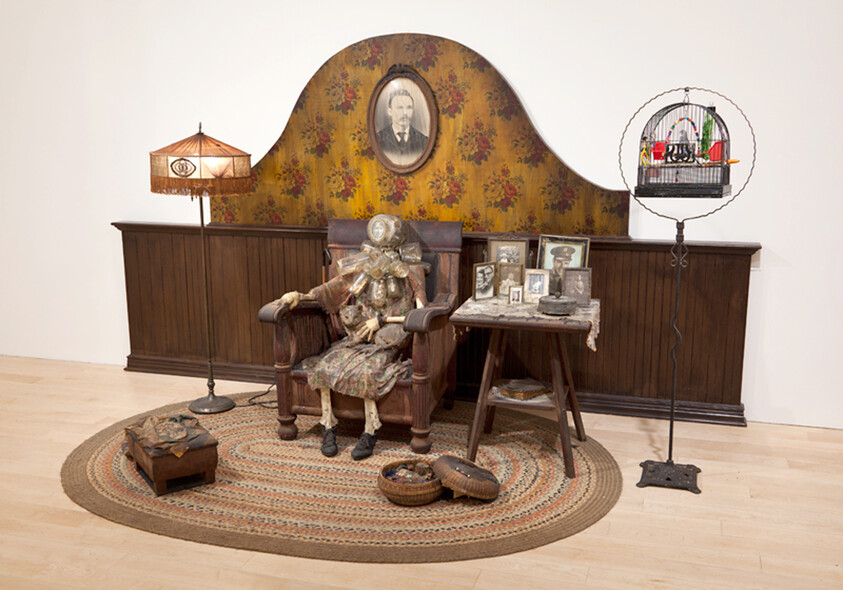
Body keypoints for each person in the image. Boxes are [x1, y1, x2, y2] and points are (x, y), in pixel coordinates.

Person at [275, 215, 427, 460]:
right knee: (325, 366)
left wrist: (381, 321)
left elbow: (421, 312)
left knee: (367, 371)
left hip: (388, 339)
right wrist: (301, 296)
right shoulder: (364, 263)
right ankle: (328, 423)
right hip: (358, 337)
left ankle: (371, 428)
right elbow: (334, 288)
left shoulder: (409, 267)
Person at [375, 88, 428, 165]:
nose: (405, 113)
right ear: (390, 111)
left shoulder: (424, 141)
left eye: (409, 107)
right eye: (400, 108)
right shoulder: (378, 139)